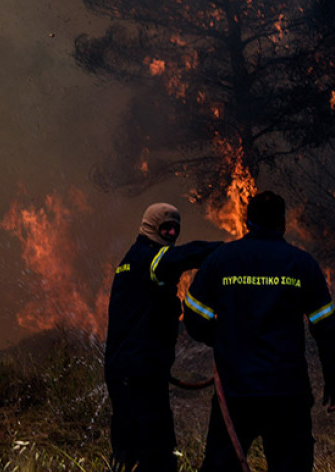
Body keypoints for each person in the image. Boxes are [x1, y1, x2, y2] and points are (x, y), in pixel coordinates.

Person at [184, 191, 335, 472]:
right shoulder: (302, 264)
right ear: (283, 223)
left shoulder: (222, 259)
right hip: (287, 392)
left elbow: (194, 316)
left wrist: (223, 340)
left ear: (248, 222)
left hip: (236, 392)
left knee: (221, 467)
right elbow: (326, 328)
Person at [104, 202, 222, 472]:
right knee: (156, 452)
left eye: (175, 228)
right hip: (137, 374)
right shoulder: (148, 258)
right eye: (165, 228)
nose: (170, 233)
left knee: (130, 448)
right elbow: (182, 256)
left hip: (132, 371)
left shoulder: (134, 259)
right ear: (150, 227)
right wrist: (228, 250)